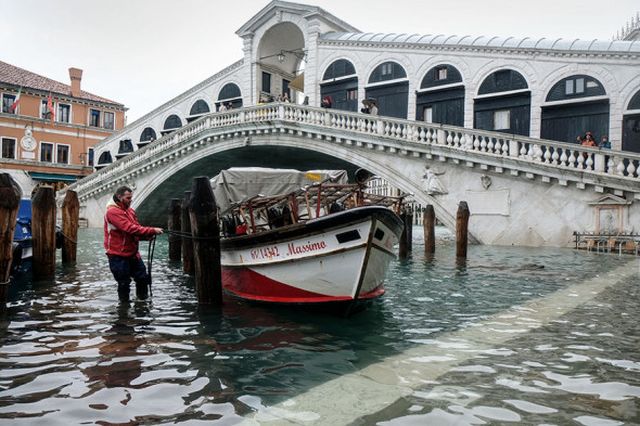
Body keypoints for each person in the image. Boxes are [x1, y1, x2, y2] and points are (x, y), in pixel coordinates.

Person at [104, 186, 163, 302]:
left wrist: (146, 237)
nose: (131, 200)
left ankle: (142, 303)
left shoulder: (130, 211)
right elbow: (129, 228)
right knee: (124, 283)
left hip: (132, 254)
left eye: (131, 198)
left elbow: (136, 229)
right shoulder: (112, 212)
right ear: (119, 197)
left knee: (142, 278)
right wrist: (152, 230)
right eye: (128, 198)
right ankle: (124, 311)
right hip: (118, 256)